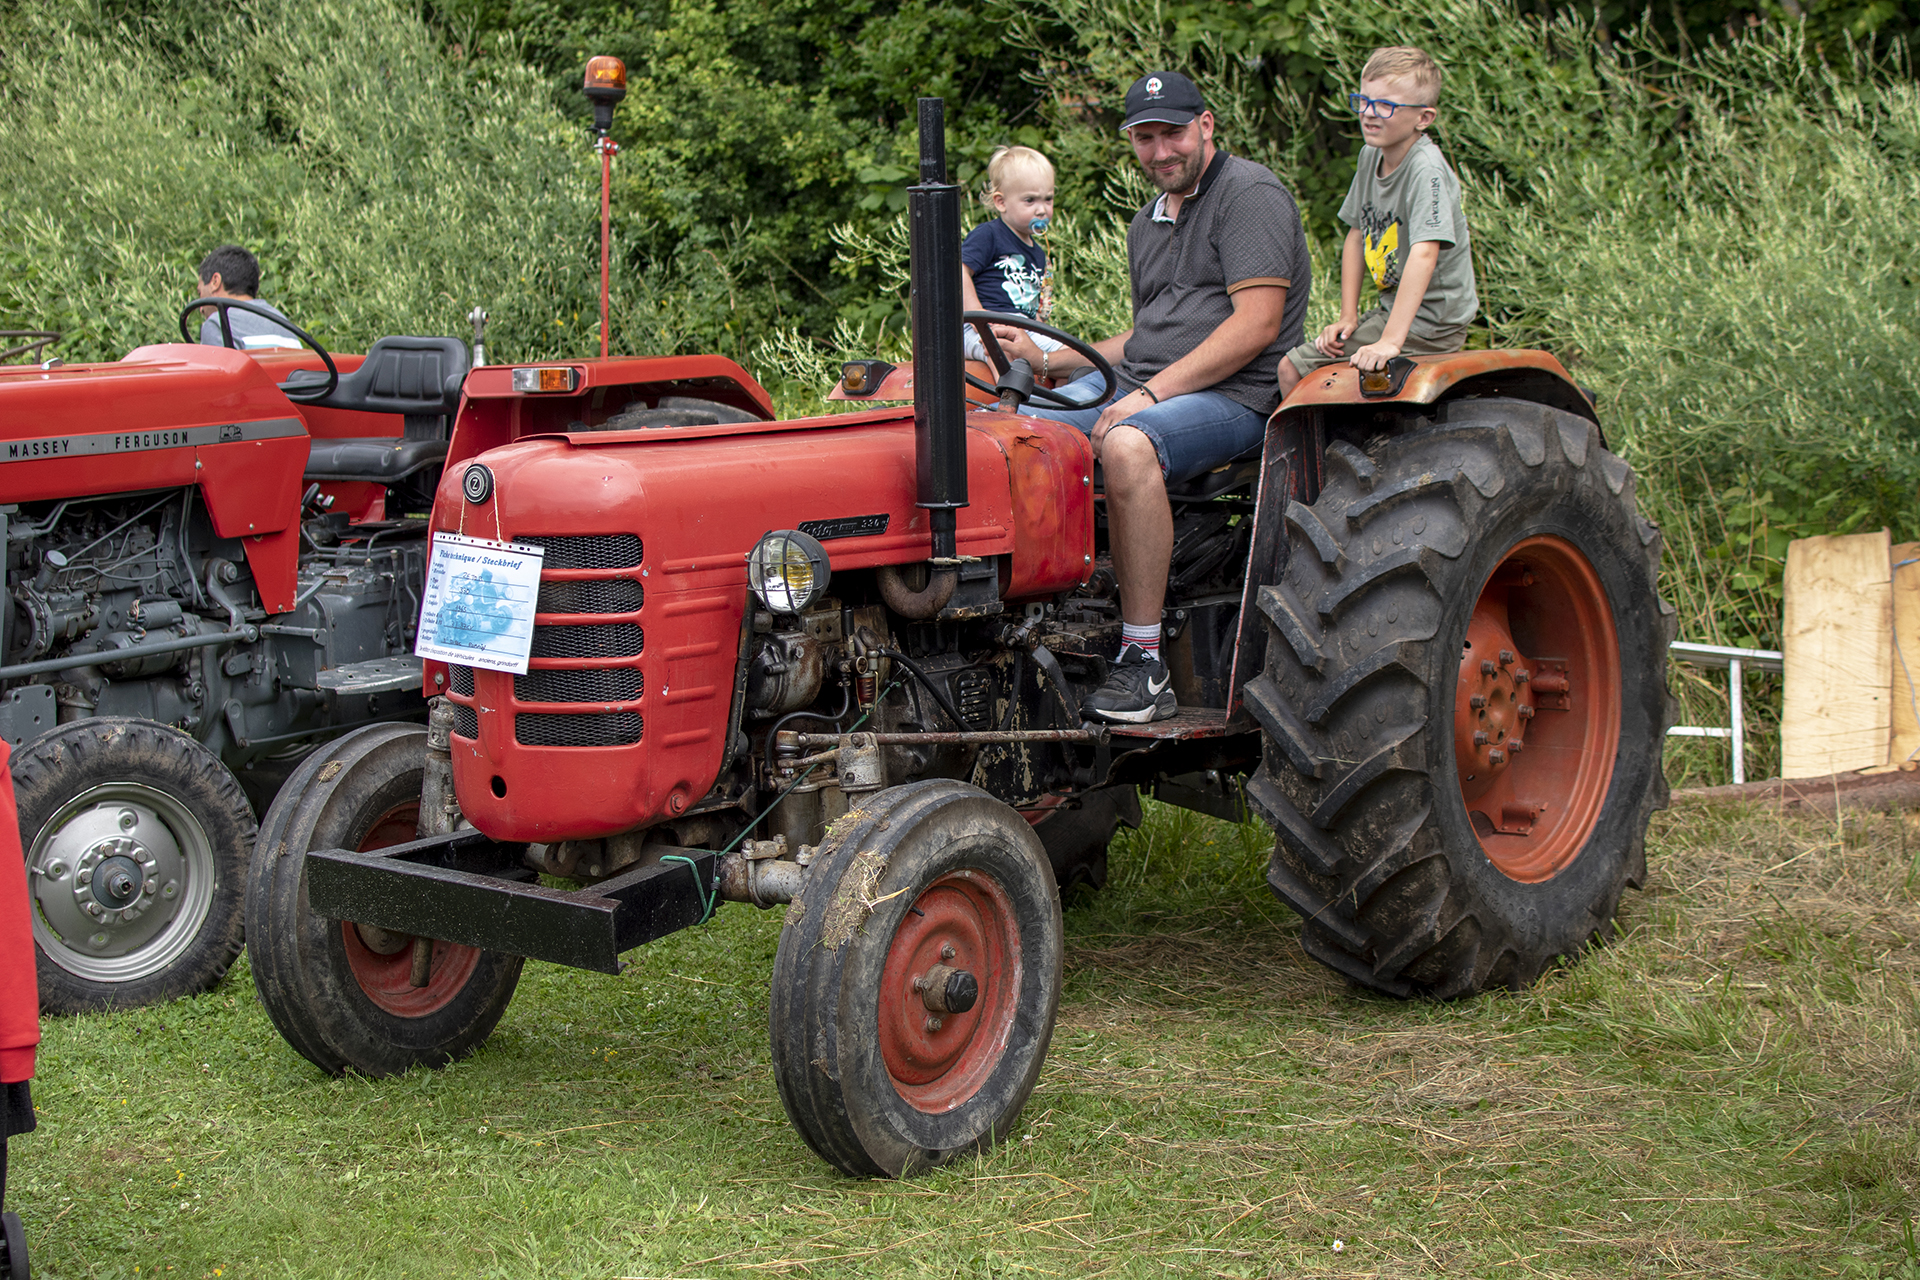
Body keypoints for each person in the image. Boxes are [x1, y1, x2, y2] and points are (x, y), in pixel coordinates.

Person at [991, 71, 1310, 723]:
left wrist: (1149, 397)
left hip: (1239, 395)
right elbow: (1149, 333)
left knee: (1128, 445)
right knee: (1008, 430)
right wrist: (1054, 362)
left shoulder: (1249, 195)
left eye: (1173, 133)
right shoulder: (1147, 223)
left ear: (1206, 125)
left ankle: (1143, 661)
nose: (1161, 151)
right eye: (1145, 137)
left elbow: (1256, 325)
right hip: (1151, 384)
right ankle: (1022, 622)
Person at [1278, 46, 1477, 395]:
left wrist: (1389, 342)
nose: (1369, 114)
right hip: (1393, 313)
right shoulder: (1371, 156)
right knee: (1316, 366)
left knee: (1293, 370)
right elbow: (1356, 235)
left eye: (1385, 105)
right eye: (1363, 101)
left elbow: (1425, 253)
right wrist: (1347, 315)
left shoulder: (1425, 170)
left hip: (1432, 324)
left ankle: (1318, 451)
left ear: (1424, 118)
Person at [960, 145, 1065, 366]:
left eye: (1048, 199)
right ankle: (1005, 401)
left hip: (1022, 328)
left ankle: (1063, 397)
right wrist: (978, 315)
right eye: (1030, 200)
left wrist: (1042, 325)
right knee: (1000, 353)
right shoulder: (989, 235)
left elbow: (1030, 305)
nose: (1042, 210)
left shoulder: (1037, 253)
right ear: (1001, 202)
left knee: (1070, 358)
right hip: (977, 327)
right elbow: (958, 271)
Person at [192, 245, 304, 350]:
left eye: (200, 293)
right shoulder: (285, 325)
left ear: (215, 282)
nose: (201, 309)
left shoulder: (217, 324)